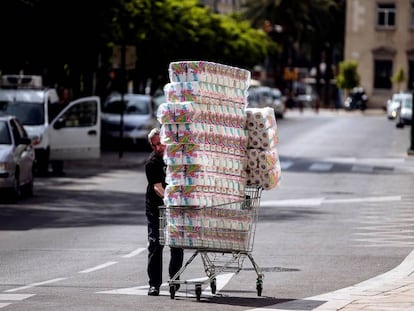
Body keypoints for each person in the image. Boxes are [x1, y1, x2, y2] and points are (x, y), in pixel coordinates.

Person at [145, 128, 183, 296]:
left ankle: (174, 279)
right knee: (156, 244)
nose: (157, 148)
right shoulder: (152, 162)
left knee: (176, 244)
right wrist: (169, 200)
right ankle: (154, 284)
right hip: (156, 207)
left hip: (174, 208)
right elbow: (157, 187)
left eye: (160, 143)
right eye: (154, 145)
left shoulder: (175, 158)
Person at [50, 86, 71, 176]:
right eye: (64, 94)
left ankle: (59, 169)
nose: (66, 95)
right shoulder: (54, 105)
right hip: (54, 129)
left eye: (67, 94)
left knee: (61, 150)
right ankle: (55, 169)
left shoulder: (67, 104)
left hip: (64, 130)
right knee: (56, 149)